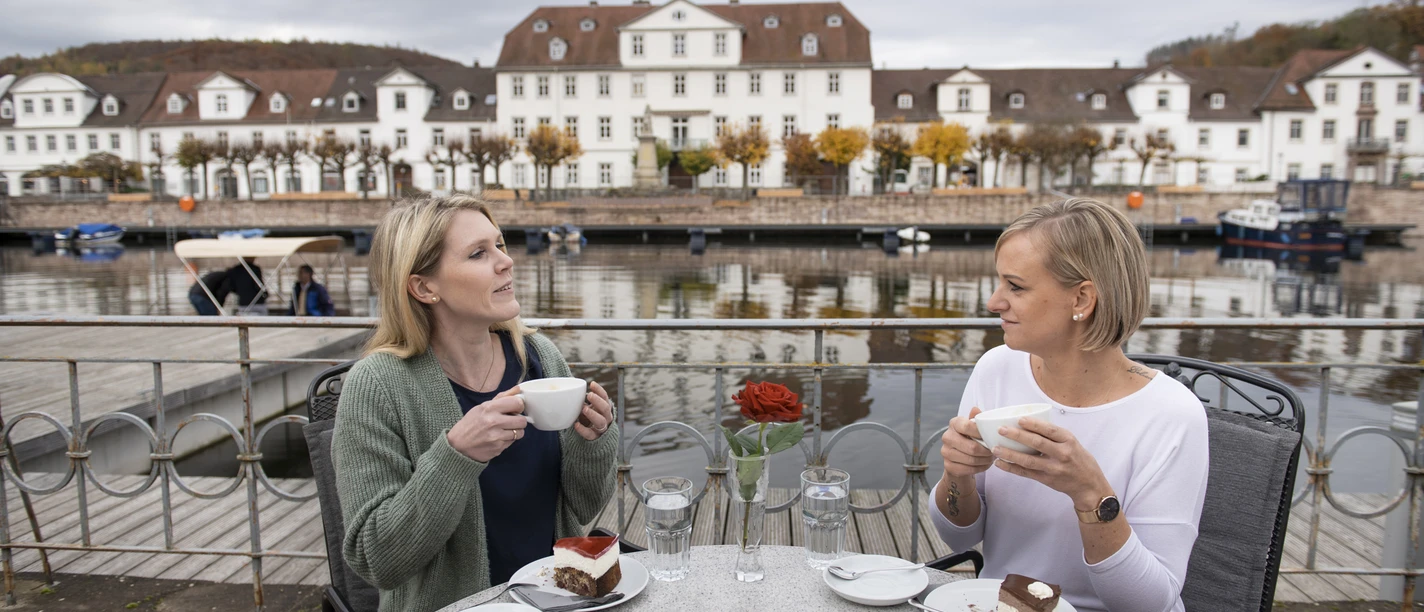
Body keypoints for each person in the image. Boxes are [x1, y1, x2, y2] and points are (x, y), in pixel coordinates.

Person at [332, 195, 618, 612]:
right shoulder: (377, 385)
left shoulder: (539, 356)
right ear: (424, 287)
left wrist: (593, 440)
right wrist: (456, 455)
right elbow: (377, 561)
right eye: (479, 253)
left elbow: (584, 507)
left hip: (558, 600)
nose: (506, 262)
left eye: (500, 245)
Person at [928, 198, 1209, 612]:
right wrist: (958, 475)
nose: (993, 302)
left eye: (1015, 286)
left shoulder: (1171, 415)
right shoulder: (997, 368)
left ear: (1081, 300)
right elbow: (959, 539)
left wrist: (1090, 494)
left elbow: (1151, 604)